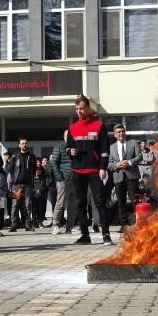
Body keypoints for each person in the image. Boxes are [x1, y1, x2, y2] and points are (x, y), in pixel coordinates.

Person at [66, 95, 112, 245]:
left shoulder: (99, 126)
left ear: (88, 108)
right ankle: (85, 236)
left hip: (94, 170)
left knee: (100, 202)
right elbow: (68, 147)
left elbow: (105, 149)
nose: (79, 111)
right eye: (77, 108)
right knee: (80, 204)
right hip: (78, 170)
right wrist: (70, 152)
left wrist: (103, 168)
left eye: (82, 108)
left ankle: (106, 235)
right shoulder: (72, 128)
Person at [107, 123, 142, 232]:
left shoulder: (133, 143)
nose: (121, 133)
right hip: (118, 177)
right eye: (119, 132)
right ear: (115, 135)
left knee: (134, 201)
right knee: (121, 202)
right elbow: (108, 163)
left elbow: (140, 156)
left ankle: (137, 223)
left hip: (132, 176)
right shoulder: (111, 147)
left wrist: (130, 162)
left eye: (123, 131)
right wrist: (117, 165)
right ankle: (123, 225)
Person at [7, 137, 37, 232]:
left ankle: (28, 225)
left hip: (28, 184)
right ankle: (14, 225)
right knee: (15, 206)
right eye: (22, 143)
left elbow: (34, 169)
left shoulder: (32, 157)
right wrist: (14, 180)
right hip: (17, 185)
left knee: (28, 205)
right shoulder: (15, 157)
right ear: (19, 145)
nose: (24, 145)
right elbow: (10, 169)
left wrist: (33, 183)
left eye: (25, 143)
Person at [51, 129, 76, 235]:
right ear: (64, 136)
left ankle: (69, 227)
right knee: (60, 203)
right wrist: (59, 177)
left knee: (73, 205)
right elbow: (54, 163)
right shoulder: (59, 147)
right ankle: (55, 225)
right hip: (63, 180)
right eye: (68, 135)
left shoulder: (76, 147)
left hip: (75, 180)